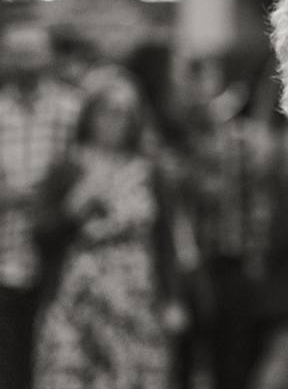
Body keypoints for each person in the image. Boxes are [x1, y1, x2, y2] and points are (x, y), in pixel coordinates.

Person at [32, 66, 178, 389]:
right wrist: (74, 207)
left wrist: (172, 298)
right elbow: (41, 235)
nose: (114, 121)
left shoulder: (147, 171)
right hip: (78, 296)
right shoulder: (67, 167)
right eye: (107, 111)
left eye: (124, 113)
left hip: (134, 296)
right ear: (90, 114)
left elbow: (165, 238)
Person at [0, 23, 82, 389]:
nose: (25, 62)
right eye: (17, 53)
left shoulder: (72, 109)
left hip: (58, 255)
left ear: (48, 56)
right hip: (6, 252)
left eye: (32, 52)